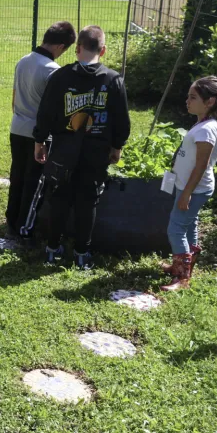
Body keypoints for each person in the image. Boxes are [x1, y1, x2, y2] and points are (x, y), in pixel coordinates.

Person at [33, 26, 131, 270]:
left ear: (77, 49)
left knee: (59, 199)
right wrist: (117, 146)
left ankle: (52, 249)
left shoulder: (61, 77)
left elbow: (45, 113)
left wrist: (40, 141)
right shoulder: (113, 80)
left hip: (63, 149)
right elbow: (122, 119)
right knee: (88, 201)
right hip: (96, 152)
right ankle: (82, 253)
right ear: (104, 50)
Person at [160, 76, 217, 291]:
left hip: (193, 188)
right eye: (188, 96)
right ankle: (185, 266)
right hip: (190, 186)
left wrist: (186, 194)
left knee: (176, 228)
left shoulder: (205, 130)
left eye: (193, 97)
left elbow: (201, 165)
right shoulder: (203, 123)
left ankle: (182, 275)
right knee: (189, 224)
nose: (187, 101)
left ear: (210, 102)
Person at [7, 21, 76, 238]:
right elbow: (53, 110)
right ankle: (24, 228)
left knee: (17, 175)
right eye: (65, 50)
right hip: (38, 134)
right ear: (61, 46)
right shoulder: (52, 70)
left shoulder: (23, 61)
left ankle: (11, 219)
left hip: (17, 127)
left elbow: (14, 98)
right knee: (34, 182)